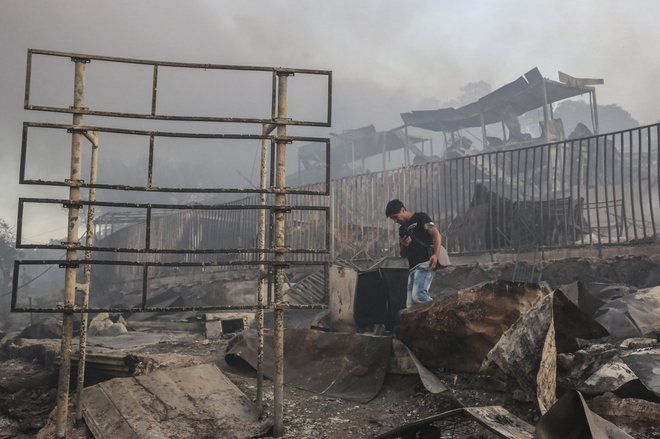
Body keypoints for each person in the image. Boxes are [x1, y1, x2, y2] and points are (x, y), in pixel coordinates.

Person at [385, 199, 442, 308]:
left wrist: (436, 255)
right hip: (412, 268)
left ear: (402, 210)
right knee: (410, 306)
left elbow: (437, 235)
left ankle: (442, 309)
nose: (395, 220)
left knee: (419, 296)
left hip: (425, 263)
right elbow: (402, 255)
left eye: (396, 216)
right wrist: (403, 245)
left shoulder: (421, 217)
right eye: (393, 219)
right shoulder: (402, 229)